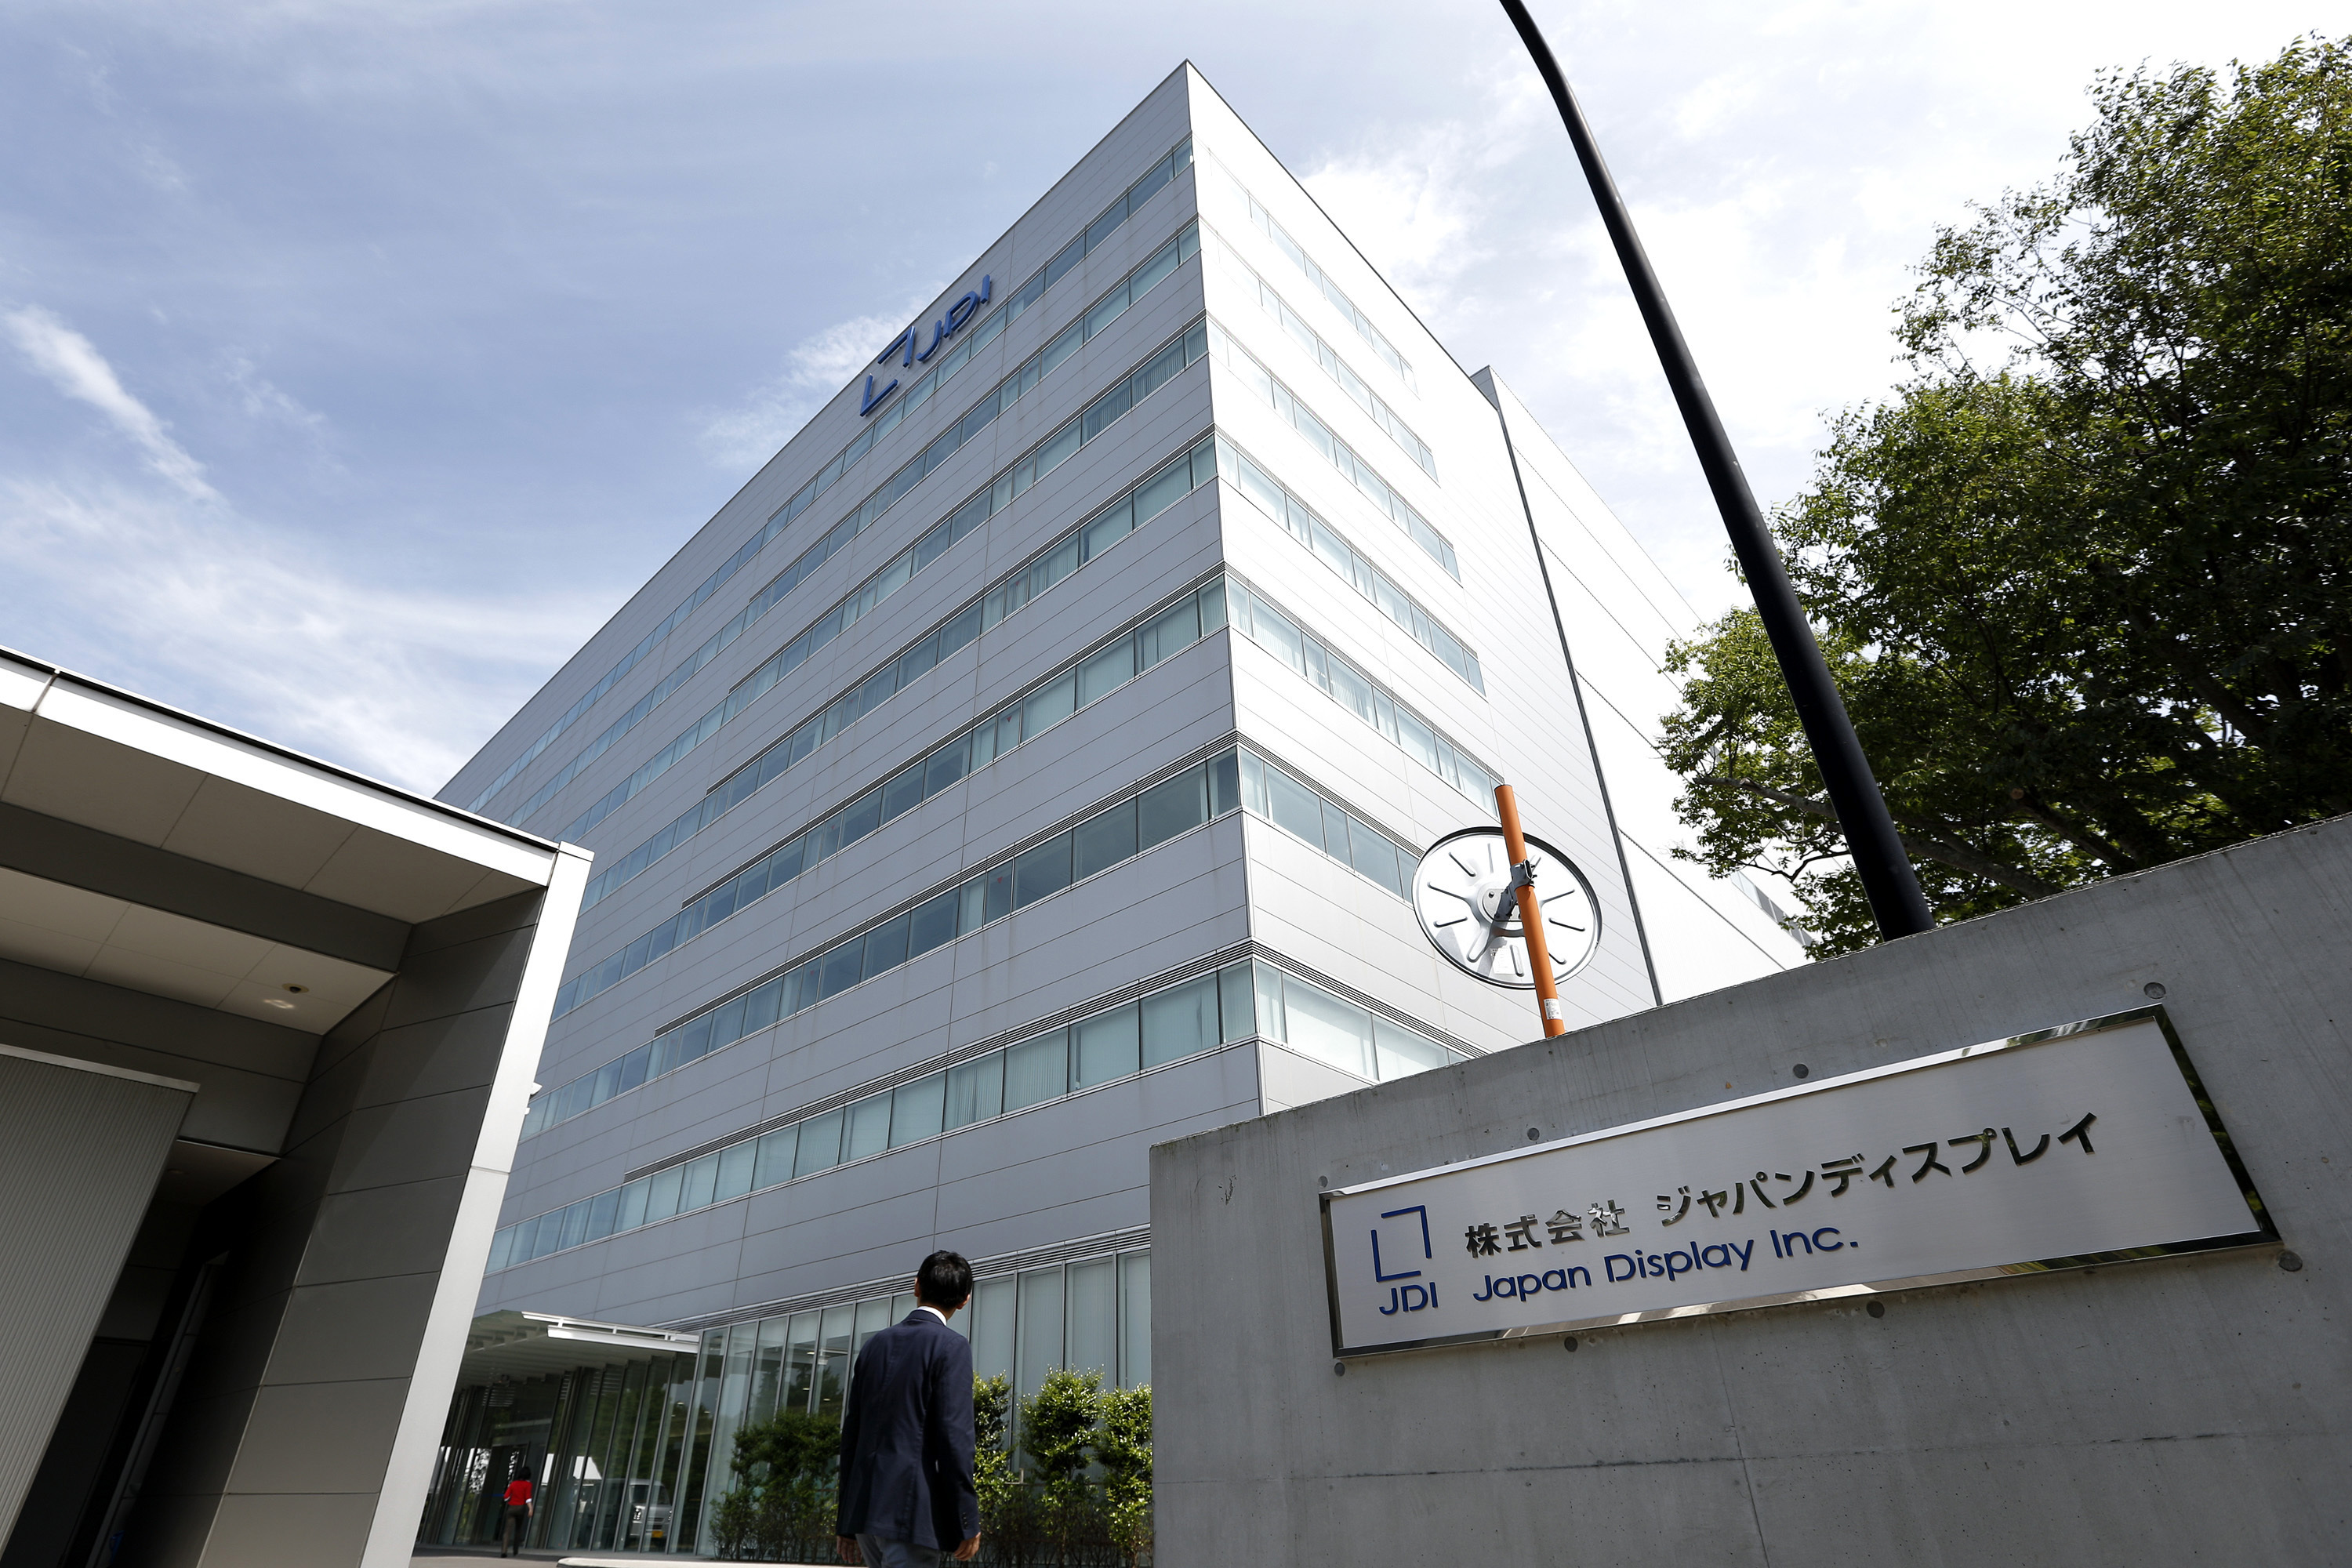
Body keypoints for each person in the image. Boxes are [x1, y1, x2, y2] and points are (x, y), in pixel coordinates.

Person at [836, 1250, 983, 1566]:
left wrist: (845, 1520)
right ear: (964, 1300)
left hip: (866, 1512)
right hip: (911, 1513)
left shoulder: (875, 1345)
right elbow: (956, 1440)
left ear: (916, 1285)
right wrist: (967, 1519)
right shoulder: (952, 1347)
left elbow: (851, 1438)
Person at [499, 1467, 534, 1556]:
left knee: (507, 1530)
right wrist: (530, 1509)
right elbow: (528, 1498)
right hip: (521, 1508)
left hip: (511, 1508)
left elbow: (506, 1496)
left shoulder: (513, 1484)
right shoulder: (528, 1485)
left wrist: (510, 1498)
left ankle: (504, 1551)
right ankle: (515, 1550)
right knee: (518, 1529)